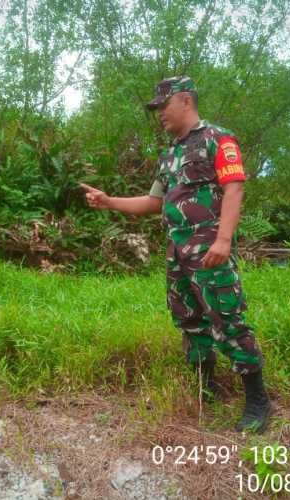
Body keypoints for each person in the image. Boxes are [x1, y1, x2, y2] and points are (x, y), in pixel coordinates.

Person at [81, 76, 271, 433]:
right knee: (189, 320)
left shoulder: (218, 139)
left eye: (162, 106)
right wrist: (108, 202)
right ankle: (206, 387)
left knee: (227, 318)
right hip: (177, 253)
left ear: (185, 101)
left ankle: (257, 399)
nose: (159, 114)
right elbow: (153, 203)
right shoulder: (170, 154)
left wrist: (224, 240)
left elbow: (234, 188)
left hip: (210, 251)